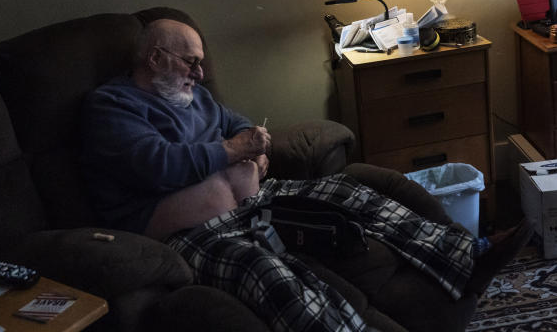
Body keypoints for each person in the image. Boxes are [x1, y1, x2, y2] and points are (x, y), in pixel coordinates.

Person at [81, 19, 531, 331]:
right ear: (156, 58)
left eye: (200, 64)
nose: (199, 74)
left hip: (253, 200)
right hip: (188, 232)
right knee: (268, 273)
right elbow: (159, 166)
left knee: (350, 190)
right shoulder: (113, 107)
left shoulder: (193, 97)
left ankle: (465, 256)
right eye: (189, 62)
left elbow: (237, 123)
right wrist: (238, 151)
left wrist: (251, 155)